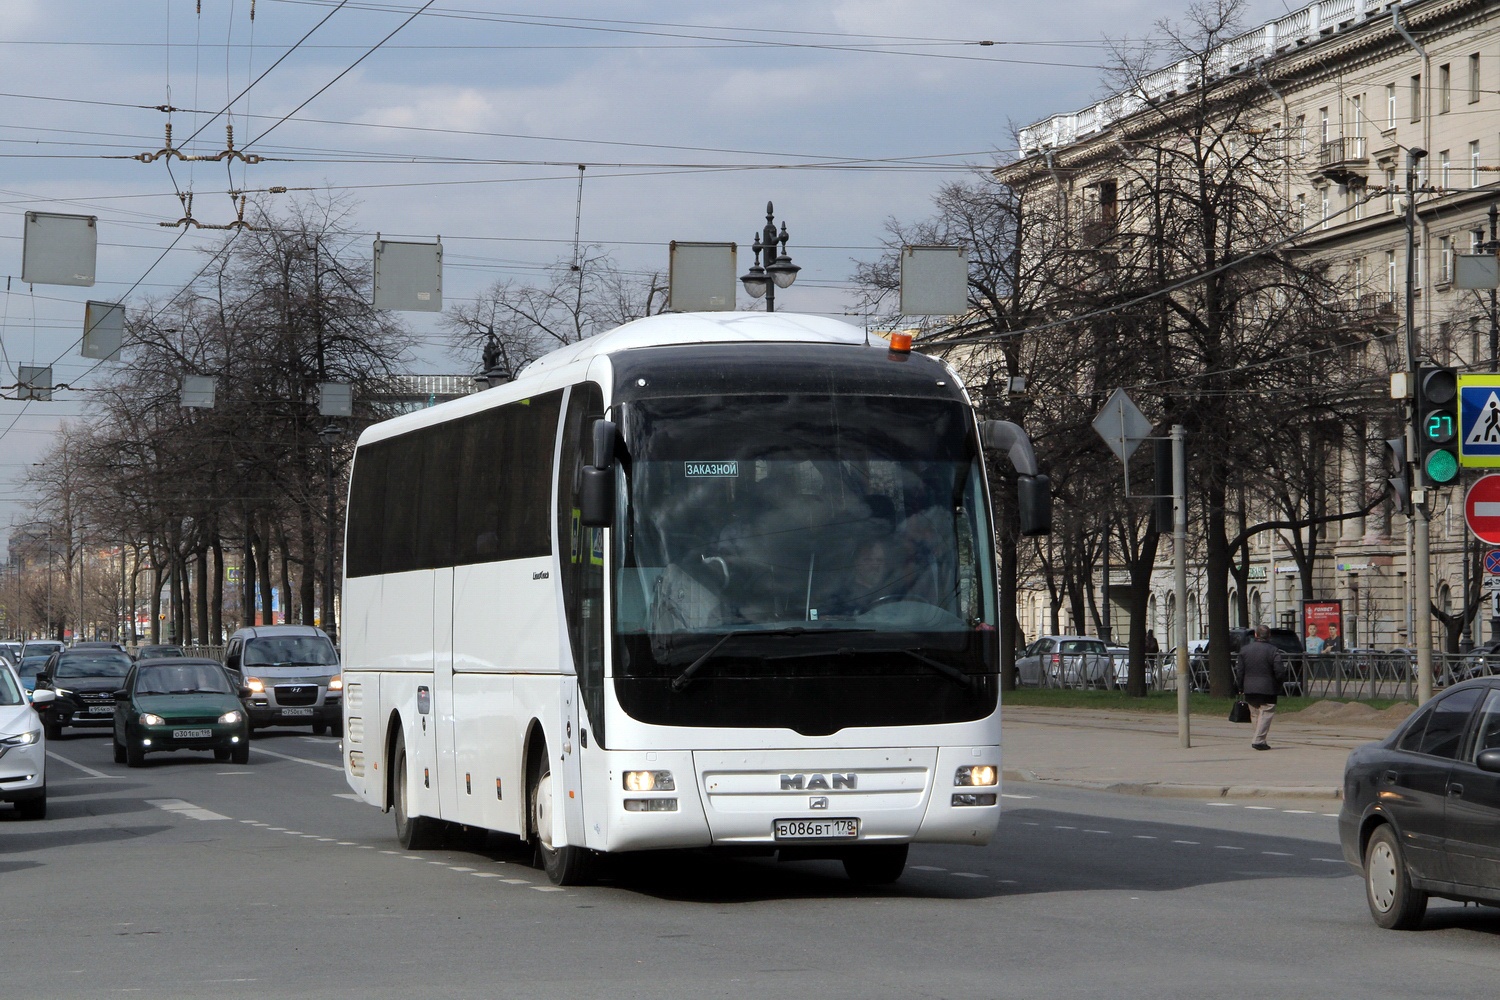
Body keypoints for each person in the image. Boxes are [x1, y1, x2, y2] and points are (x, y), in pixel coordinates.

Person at [1234, 624, 1287, 750]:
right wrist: (1279, 683)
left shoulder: (1245, 650)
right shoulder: (1273, 650)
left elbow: (1240, 671)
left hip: (1249, 688)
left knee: (1255, 714)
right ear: (1269, 636)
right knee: (1266, 712)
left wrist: (1240, 686)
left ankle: (1260, 739)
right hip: (1268, 688)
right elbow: (1279, 671)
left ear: (1256, 635)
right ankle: (1258, 740)